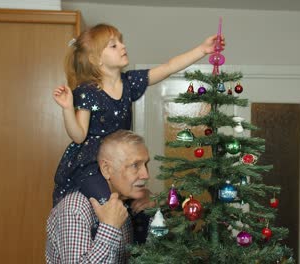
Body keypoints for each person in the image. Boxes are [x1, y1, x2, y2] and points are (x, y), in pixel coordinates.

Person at [52, 23, 225, 207]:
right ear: (96, 59)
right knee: (108, 204)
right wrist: (68, 108)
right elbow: (79, 136)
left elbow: (169, 67)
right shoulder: (88, 91)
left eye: (121, 42)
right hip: (93, 163)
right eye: (113, 45)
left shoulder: (129, 82)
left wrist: (202, 50)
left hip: (123, 160)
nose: (122, 46)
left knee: (138, 207)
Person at [46, 130, 155, 263]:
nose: (146, 175)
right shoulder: (75, 208)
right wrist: (109, 228)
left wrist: (155, 211)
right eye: (135, 165)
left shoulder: (125, 202)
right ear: (106, 169)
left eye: (146, 164)